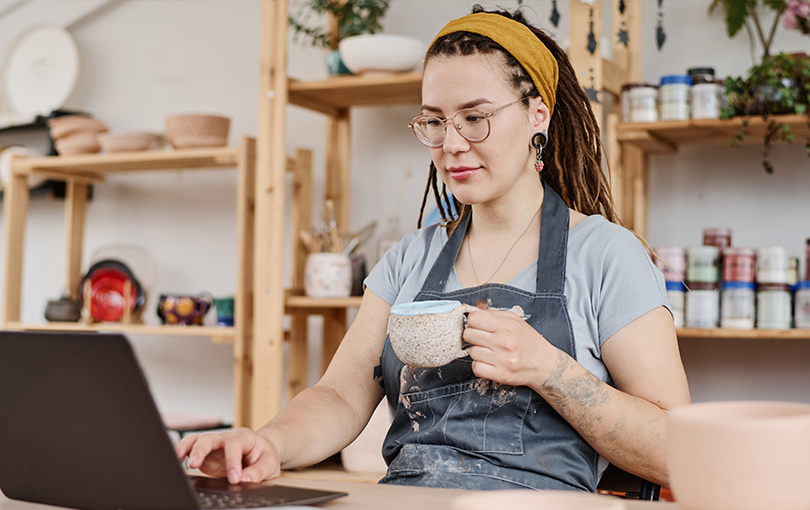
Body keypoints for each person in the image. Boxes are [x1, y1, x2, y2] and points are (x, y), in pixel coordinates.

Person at [176, 6, 691, 492]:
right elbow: (339, 395)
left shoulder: (606, 256)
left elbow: (676, 451)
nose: (452, 143)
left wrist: (550, 369)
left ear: (538, 113)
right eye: (435, 121)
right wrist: (267, 442)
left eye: (475, 117)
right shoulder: (409, 259)